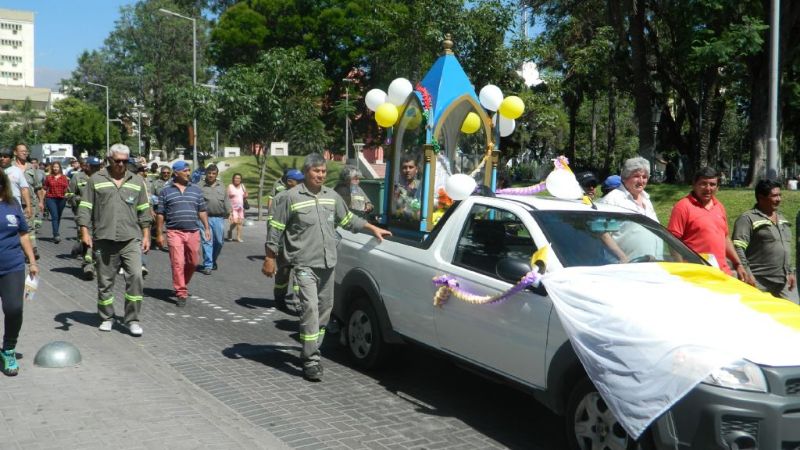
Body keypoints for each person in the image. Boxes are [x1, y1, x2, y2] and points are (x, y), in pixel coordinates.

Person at [262, 153, 391, 382]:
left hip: (328, 263)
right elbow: (276, 228)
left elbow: (348, 220)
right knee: (310, 309)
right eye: (316, 171)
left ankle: (311, 345)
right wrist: (270, 258)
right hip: (303, 264)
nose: (321, 175)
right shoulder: (289, 197)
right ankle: (311, 360)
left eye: (323, 171)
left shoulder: (331, 197)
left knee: (324, 311)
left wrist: (373, 229)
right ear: (306, 172)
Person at [77, 144, 152, 336]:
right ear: (109, 159)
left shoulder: (136, 181)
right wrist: (84, 232)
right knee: (105, 281)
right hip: (104, 238)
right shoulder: (96, 180)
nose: (121, 164)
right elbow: (85, 207)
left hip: (130, 238)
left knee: (136, 277)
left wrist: (146, 235)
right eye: (117, 160)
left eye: (125, 161)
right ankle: (107, 317)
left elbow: (144, 210)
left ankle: (132, 319)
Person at [666, 167, 751, 281]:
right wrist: (681, 273)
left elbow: (724, 238)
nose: (708, 188)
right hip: (697, 276)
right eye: (703, 184)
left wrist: (738, 264)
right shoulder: (682, 207)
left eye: (712, 184)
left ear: (717, 187)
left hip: (722, 274)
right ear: (694, 184)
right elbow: (673, 242)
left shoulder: (719, 206)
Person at [155, 160, 210, 307]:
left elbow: (202, 210)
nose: (188, 173)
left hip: (193, 231)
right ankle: (181, 292)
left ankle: (182, 283)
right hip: (174, 232)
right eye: (185, 170)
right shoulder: (165, 191)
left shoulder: (196, 190)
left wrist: (207, 228)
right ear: (176, 172)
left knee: (193, 262)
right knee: (178, 262)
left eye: (188, 170)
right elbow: (160, 214)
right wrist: (160, 234)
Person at [0, 170, 38, 376]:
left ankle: (9, 349)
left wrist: (32, 261)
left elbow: (23, 234)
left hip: (12, 266)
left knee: (14, 309)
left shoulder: (12, 204)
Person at [732, 180, 794, 299]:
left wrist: (790, 272)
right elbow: (738, 247)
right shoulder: (747, 218)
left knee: (790, 314)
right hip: (758, 281)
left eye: (780, 195)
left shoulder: (782, 219)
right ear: (761, 197)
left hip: (782, 282)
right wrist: (747, 273)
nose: (779, 199)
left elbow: (786, 248)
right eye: (774, 196)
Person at [266, 169, 304, 312]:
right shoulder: (280, 198)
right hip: (284, 244)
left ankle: (299, 302)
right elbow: (272, 223)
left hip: (300, 243)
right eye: (298, 181)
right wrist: (272, 246)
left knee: (301, 273)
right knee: (283, 273)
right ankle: (279, 298)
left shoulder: (304, 197)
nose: (302, 183)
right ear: (289, 182)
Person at [67, 156, 103, 279]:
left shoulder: (103, 178)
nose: (95, 169)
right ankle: (88, 265)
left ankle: (84, 254)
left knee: (97, 239)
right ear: (86, 166)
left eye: (97, 167)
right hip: (83, 214)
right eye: (93, 166)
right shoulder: (77, 177)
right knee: (85, 237)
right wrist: (79, 200)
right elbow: (69, 194)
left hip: (99, 214)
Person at [600, 157, 658, 222]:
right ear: (625, 178)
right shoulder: (612, 200)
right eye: (636, 176)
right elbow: (600, 228)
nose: (641, 181)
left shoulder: (646, 199)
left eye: (644, 177)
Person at [198, 164, 230, 275]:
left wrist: (229, 212)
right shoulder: (199, 186)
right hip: (204, 219)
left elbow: (226, 200)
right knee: (207, 241)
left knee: (219, 242)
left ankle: (213, 260)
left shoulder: (222, 186)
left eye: (213, 173)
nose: (211, 175)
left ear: (217, 174)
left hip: (218, 218)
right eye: (209, 173)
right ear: (206, 173)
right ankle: (208, 265)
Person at [14, 144, 42, 258]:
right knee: (15, 227)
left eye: (26, 151)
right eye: (22, 151)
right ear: (15, 152)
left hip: (30, 203)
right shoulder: (9, 167)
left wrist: (41, 201)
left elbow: (38, 186)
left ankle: (32, 249)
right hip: (14, 203)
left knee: (29, 227)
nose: (25, 153)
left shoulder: (31, 167)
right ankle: (20, 249)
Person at [43, 161, 70, 243]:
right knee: (54, 216)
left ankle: (56, 232)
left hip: (62, 199)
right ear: (52, 168)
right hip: (51, 198)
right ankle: (56, 234)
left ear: (60, 168)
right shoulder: (48, 177)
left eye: (57, 167)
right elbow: (44, 188)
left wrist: (68, 196)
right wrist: (42, 200)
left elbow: (67, 189)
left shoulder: (64, 177)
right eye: (54, 167)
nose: (55, 168)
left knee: (58, 216)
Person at [393, 154, 421, 221]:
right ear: (400, 169)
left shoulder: (421, 186)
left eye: (411, 167)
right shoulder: (395, 186)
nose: (407, 170)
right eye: (404, 167)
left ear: (416, 169)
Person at [227, 173, 247, 242]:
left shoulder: (242, 186)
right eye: (236, 178)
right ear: (233, 179)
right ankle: (230, 231)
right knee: (235, 221)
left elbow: (245, 195)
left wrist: (246, 196)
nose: (237, 179)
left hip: (241, 207)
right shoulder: (230, 186)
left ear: (241, 180)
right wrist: (229, 210)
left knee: (240, 222)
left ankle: (238, 237)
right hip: (233, 208)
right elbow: (226, 197)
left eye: (239, 178)